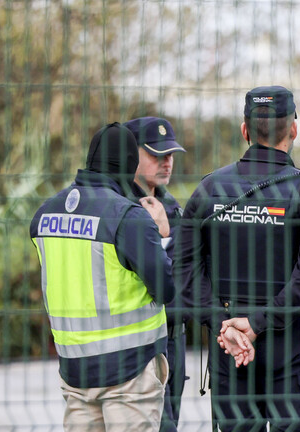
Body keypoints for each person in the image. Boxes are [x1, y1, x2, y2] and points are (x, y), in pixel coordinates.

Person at [173, 85, 300, 432]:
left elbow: (184, 270)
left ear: (244, 130)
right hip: (289, 348)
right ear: (293, 128)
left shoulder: (208, 190)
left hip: (229, 347)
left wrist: (224, 324)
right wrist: (258, 323)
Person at [30, 123, 174, 431]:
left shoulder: (45, 215)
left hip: (76, 375)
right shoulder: (128, 217)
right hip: (130, 374)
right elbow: (165, 288)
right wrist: (160, 234)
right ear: (129, 165)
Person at [124, 116, 189, 432]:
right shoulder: (119, 207)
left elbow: (184, 274)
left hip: (173, 341)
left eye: (171, 154)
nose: (167, 162)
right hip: (138, 346)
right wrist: (159, 237)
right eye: (156, 154)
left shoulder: (172, 206)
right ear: (131, 154)